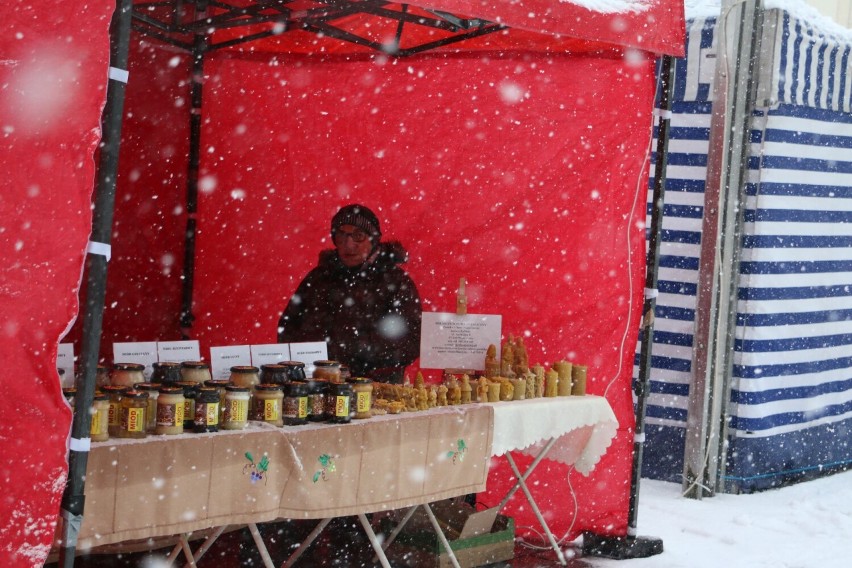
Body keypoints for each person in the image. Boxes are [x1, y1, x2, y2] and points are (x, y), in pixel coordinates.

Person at [277, 204, 422, 383]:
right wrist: (313, 358)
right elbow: (288, 327)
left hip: (379, 387)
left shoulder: (396, 282)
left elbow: (413, 339)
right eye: (341, 235)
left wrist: (363, 353)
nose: (348, 244)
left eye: (358, 236)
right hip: (320, 384)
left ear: (373, 240)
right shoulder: (318, 278)